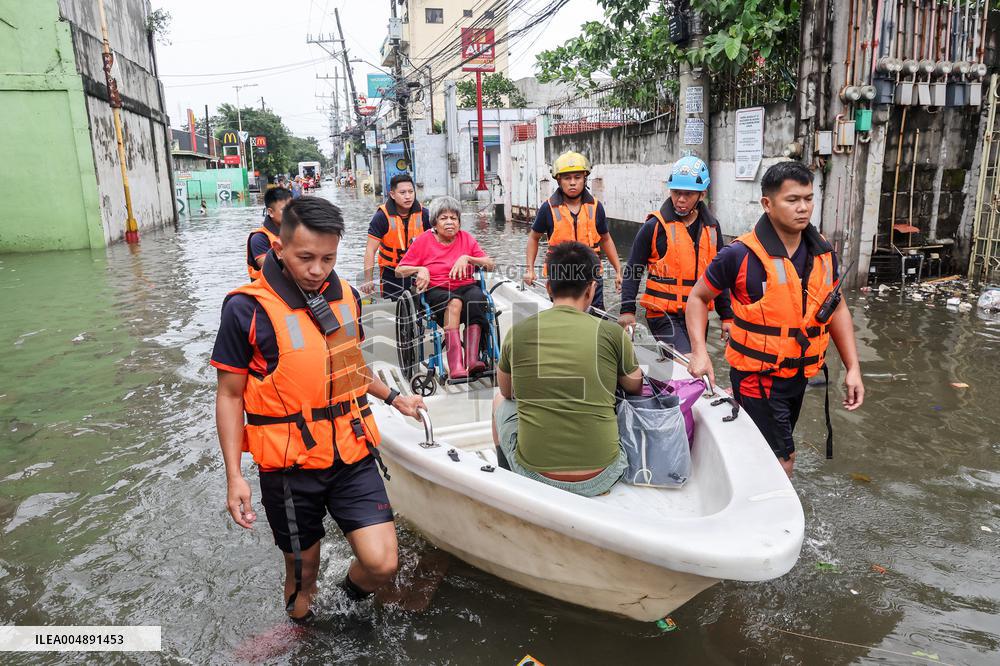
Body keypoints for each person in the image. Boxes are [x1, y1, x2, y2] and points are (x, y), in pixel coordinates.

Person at [212, 196, 426, 622]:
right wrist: (234, 476)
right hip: (290, 469)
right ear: (278, 249)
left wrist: (393, 397)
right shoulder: (246, 309)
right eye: (305, 257)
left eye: (327, 258)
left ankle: (346, 603)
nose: (316, 269)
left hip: (351, 451)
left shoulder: (346, 295)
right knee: (302, 574)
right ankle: (303, 632)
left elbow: (348, 367)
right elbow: (230, 395)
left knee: (382, 563)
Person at [685, 161, 865, 478]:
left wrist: (852, 368)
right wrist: (700, 351)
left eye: (808, 199)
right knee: (782, 459)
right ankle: (774, 524)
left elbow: (837, 308)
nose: (803, 208)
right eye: (792, 200)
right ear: (767, 204)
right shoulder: (739, 255)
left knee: (765, 447)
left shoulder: (823, 252)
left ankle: (743, 479)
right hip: (758, 376)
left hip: (798, 375)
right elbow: (698, 298)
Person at [493, 241, 643, 496]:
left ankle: (511, 486)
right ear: (591, 289)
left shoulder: (518, 332)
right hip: (602, 475)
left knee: (498, 400)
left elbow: (508, 392)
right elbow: (635, 385)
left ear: (549, 287)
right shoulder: (611, 333)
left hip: (536, 474)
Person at [618, 156, 733, 353]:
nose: (680, 199)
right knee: (687, 358)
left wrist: (727, 316)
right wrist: (627, 310)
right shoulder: (654, 227)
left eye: (688, 194)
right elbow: (633, 270)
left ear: (702, 194)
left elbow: (719, 277)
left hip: (697, 313)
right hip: (662, 314)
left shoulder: (712, 229)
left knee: (697, 360)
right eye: (676, 192)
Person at [395, 196, 495, 380]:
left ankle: (472, 360)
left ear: (459, 221)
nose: (450, 222)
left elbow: (490, 264)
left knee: (477, 298)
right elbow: (399, 270)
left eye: (454, 218)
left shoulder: (466, 239)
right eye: (444, 218)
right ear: (434, 222)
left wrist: (468, 258)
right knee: (454, 302)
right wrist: (420, 268)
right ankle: (455, 363)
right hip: (437, 290)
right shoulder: (423, 241)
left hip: (465, 286)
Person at [523, 151, 623, 312]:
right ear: (558, 180)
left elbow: (606, 239)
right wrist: (530, 270)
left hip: (591, 273)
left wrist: (618, 270)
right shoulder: (548, 208)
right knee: (565, 315)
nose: (572, 183)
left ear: (585, 178)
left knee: (595, 317)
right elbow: (533, 238)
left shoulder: (596, 207)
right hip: (561, 275)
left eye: (577, 177)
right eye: (567, 178)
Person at [362, 174, 432, 300]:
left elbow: (438, 242)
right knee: (395, 310)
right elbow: (370, 250)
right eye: (402, 192)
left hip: (418, 270)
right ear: (392, 195)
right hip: (391, 272)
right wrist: (368, 280)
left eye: (411, 192)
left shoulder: (424, 214)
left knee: (424, 306)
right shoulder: (382, 217)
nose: (408, 196)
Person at [246, 187, 292, 280]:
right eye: (284, 210)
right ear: (270, 212)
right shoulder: (259, 238)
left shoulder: (297, 232)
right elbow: (270, 267)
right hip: (268, 291)